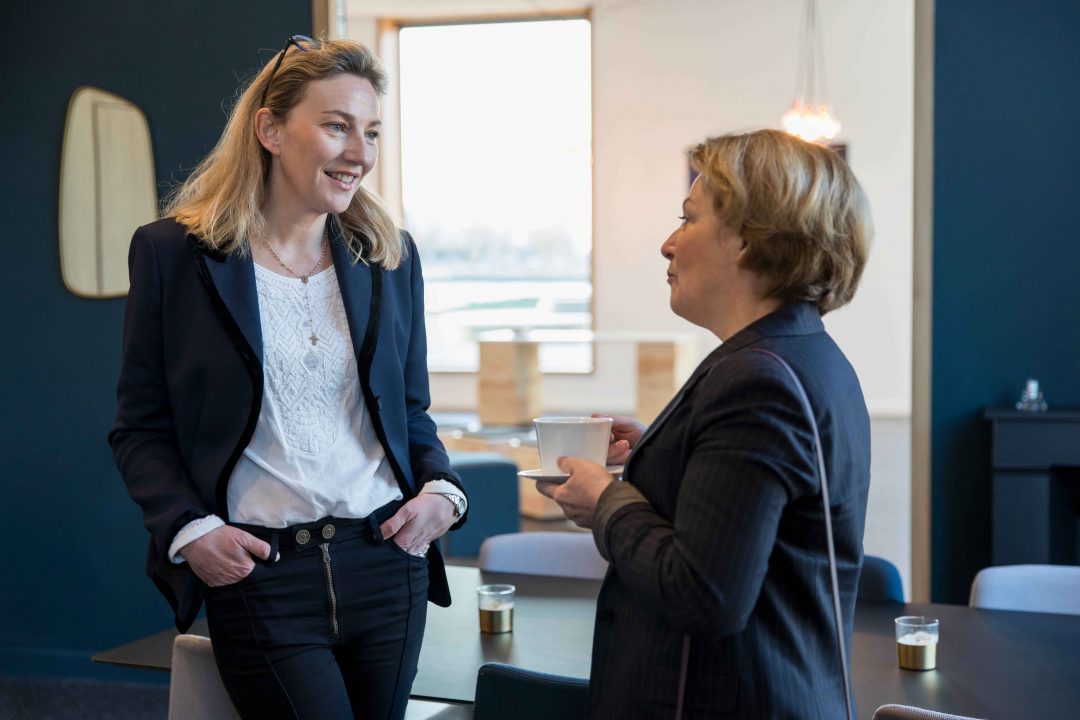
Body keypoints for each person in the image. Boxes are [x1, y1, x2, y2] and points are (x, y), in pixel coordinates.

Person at [109, 36, 468, 720]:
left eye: (370, 132)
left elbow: (411, 411)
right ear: (270, 129)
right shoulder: (171, 255)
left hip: (389, 567)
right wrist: (189, 530)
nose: (359, 153)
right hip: (263, 576)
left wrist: (443, 494)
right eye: (337, 127)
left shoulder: (391, 257)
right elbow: (140, 427)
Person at [538, 128, 873, 719]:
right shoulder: (807, 355)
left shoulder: (757, 380)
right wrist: (663, 458)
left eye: (687, 219)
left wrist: (607, 502)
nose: (668, 244)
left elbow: (706, 594)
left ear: (748, 238)